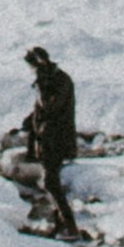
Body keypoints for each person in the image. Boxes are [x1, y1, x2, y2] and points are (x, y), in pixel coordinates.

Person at [16, 43, 79, 231]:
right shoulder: (51, 79)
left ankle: (69, 226)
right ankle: (60, 225)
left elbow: (50, 107)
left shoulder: (59, 80)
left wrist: (41, 84)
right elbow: (41, 109)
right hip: (48, 138)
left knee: (50, 183)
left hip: (57, 139)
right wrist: (28, 122)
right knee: (51, 181)